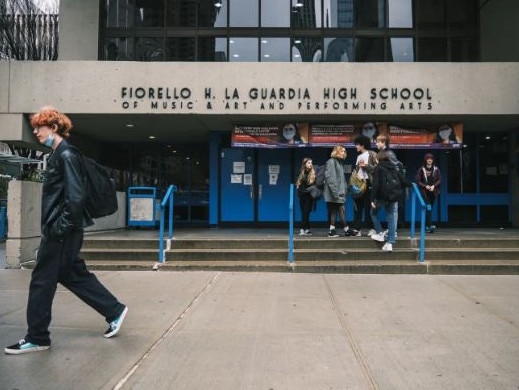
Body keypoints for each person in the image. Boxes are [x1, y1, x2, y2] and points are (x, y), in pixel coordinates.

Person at [5, 107, 128, 355]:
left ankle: (37, 337)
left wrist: (58, 229)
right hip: (65, 229)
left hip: (62, 231)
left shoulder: (66, 155)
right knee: (72, 273)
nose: (36, 133)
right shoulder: (59, 154)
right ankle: (114, 310)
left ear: (53, 127)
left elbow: (76, 197)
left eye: (39, 128)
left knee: (41, 281)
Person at [369, 150, 406, 252]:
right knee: (391, 217)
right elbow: (402, 180)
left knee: (373, 213)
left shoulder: (378, 168)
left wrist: (372, 199)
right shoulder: (394, 167)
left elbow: (376, 185)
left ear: (378, 158)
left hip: (382, 196)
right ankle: (390, 242)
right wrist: (410, 185)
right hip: (393, 196)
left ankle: (380, 233)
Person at [350, 135, 378, 237]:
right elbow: (357, 171)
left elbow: (378, 169)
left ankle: (372, 228)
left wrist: (367, 166)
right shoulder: (358, 157)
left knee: (369, 206)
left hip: (369, 183)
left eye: (357, 144)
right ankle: (357, 229)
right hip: (359, 184)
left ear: (362, 145)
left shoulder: (372, 154)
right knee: (357, 206)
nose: (356, 147)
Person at [323, 145, 350, 237]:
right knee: (339, 210)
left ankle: (336, 230)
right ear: (337, 151)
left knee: (336, 211)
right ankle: (344, 229)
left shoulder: (339, 162)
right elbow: (331, 179)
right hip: (335, 193)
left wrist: (345, 189)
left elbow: (341, 179)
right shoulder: (331, 162)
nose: (344, 153)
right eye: (342, 151)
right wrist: (335, 193)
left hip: (339, 192)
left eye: (344, 151)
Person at [415, 153, 441, 233]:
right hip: (425, 193)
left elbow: (439, 180)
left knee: (429, 209)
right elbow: (418, 180)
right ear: (425, 160)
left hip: (433, 192)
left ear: (432, 160)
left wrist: (433, 186)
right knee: (428, 208)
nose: (429, 160)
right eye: (428, 159)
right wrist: (425, 186)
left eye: (431, 159)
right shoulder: (421, 169)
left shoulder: (436, 169)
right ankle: (429, 225)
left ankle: (427, 226)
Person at [295, 157, 316, 236]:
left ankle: (302, 228)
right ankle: (307, 228)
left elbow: (314, 184)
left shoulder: (313, 173)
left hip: (309, 195)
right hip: (301, 195)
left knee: (306, 212)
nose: (310, 164)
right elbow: (297, 182)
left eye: (311, 163)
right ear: (304, 164)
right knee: (304, 212)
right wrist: (298, 185)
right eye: (309, 163)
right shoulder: (300, 172)